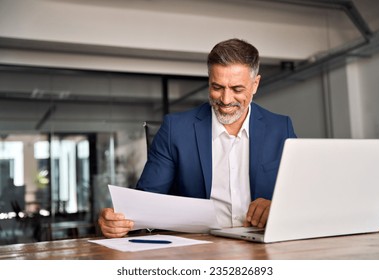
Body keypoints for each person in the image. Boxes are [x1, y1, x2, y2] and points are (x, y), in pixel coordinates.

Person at [98, 38, 297, 238]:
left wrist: (278, 208)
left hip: (262, 247)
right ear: (209, 80)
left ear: (255, 84)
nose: (226, 100)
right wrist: (116, 221)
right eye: (217, 87)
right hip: (197, 248)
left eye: (237, 89)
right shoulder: (175, 129)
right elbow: (145, 204)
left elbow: (302, 198)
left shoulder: (281, 128)